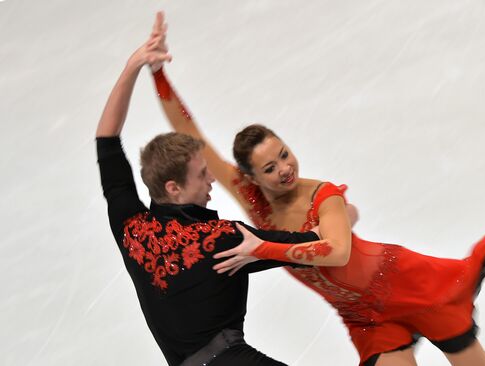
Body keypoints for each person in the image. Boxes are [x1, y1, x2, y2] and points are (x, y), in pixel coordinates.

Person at [150, 15, 485, 366]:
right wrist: (158, 73)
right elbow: (191, 133)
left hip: (408, 286)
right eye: (269, 168)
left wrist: (261, 248)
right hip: (364, 316)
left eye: (284, 154)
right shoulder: (251, 198)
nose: (284, 169)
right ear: (251, 178)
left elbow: (336, 250)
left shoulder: (323, 195)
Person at [95, 14, 326, 366]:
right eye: (202, 175)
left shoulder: (131, 228)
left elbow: (106, 139)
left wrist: (134, 66)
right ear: (173, 188)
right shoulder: (220, 238)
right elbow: (316, 242)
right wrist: (337, 207)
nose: (212, 180)